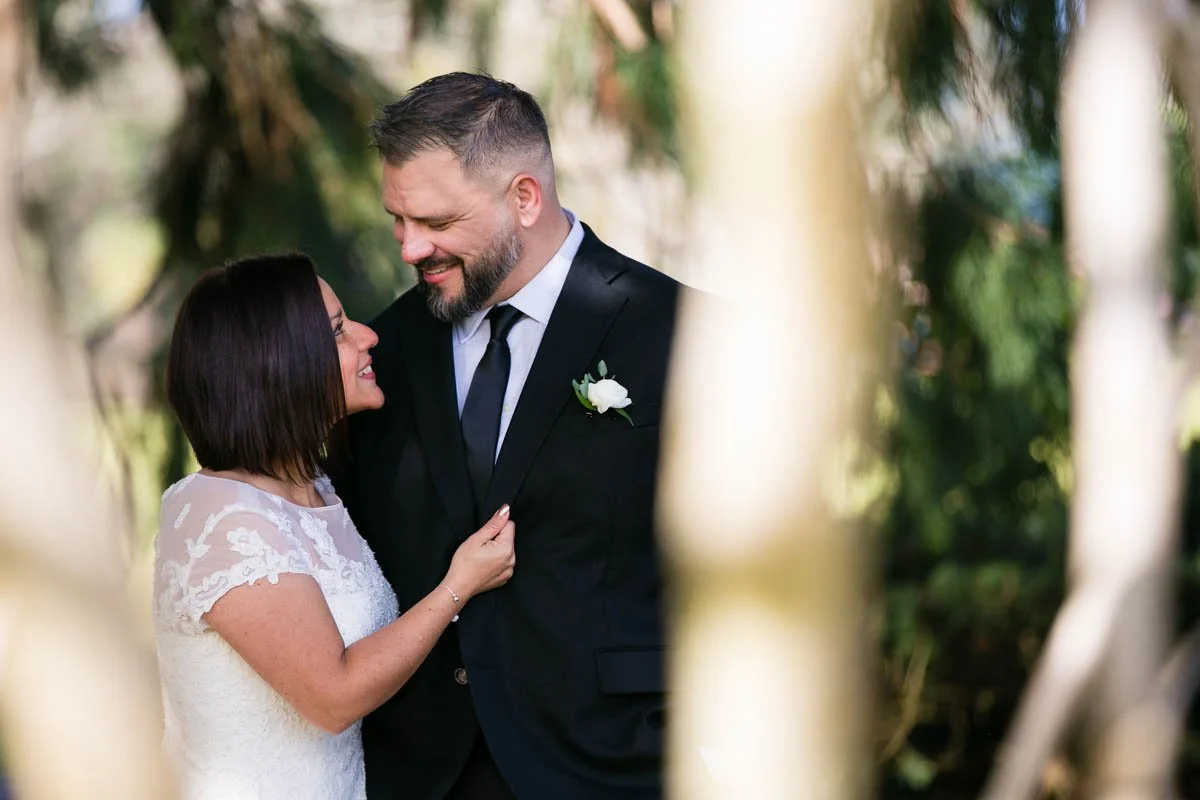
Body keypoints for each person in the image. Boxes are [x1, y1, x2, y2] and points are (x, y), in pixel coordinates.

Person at [336, 72, 682, 799]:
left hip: (618, 765)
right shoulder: (383, 352)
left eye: (435, 222)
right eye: (397, 219)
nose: (407, 248)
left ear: (524, 198)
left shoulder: (680, 334)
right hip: (420, 774)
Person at [152, 253, 517, 799]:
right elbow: (333, 696)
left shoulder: (320, 489)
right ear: (278, 363)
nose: (369, 337)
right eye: (339, 330)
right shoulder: (215, 513)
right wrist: (457, 586)